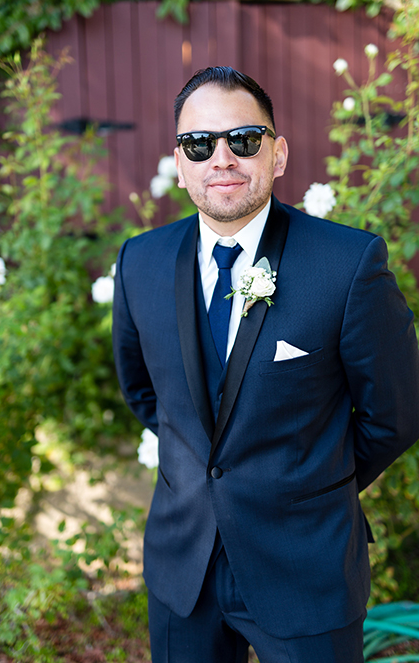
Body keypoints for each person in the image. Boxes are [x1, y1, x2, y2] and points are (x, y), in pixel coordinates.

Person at [112, 66, 419, 663]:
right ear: (180, 163)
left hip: (306, 569)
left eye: (244, 139)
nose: (221, 158)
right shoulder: (140, 262)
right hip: (184, 574)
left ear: (277, 155)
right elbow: (146, 394)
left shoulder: (348, 264)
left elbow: (397, 415)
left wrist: (307, 483)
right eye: (199, 144)